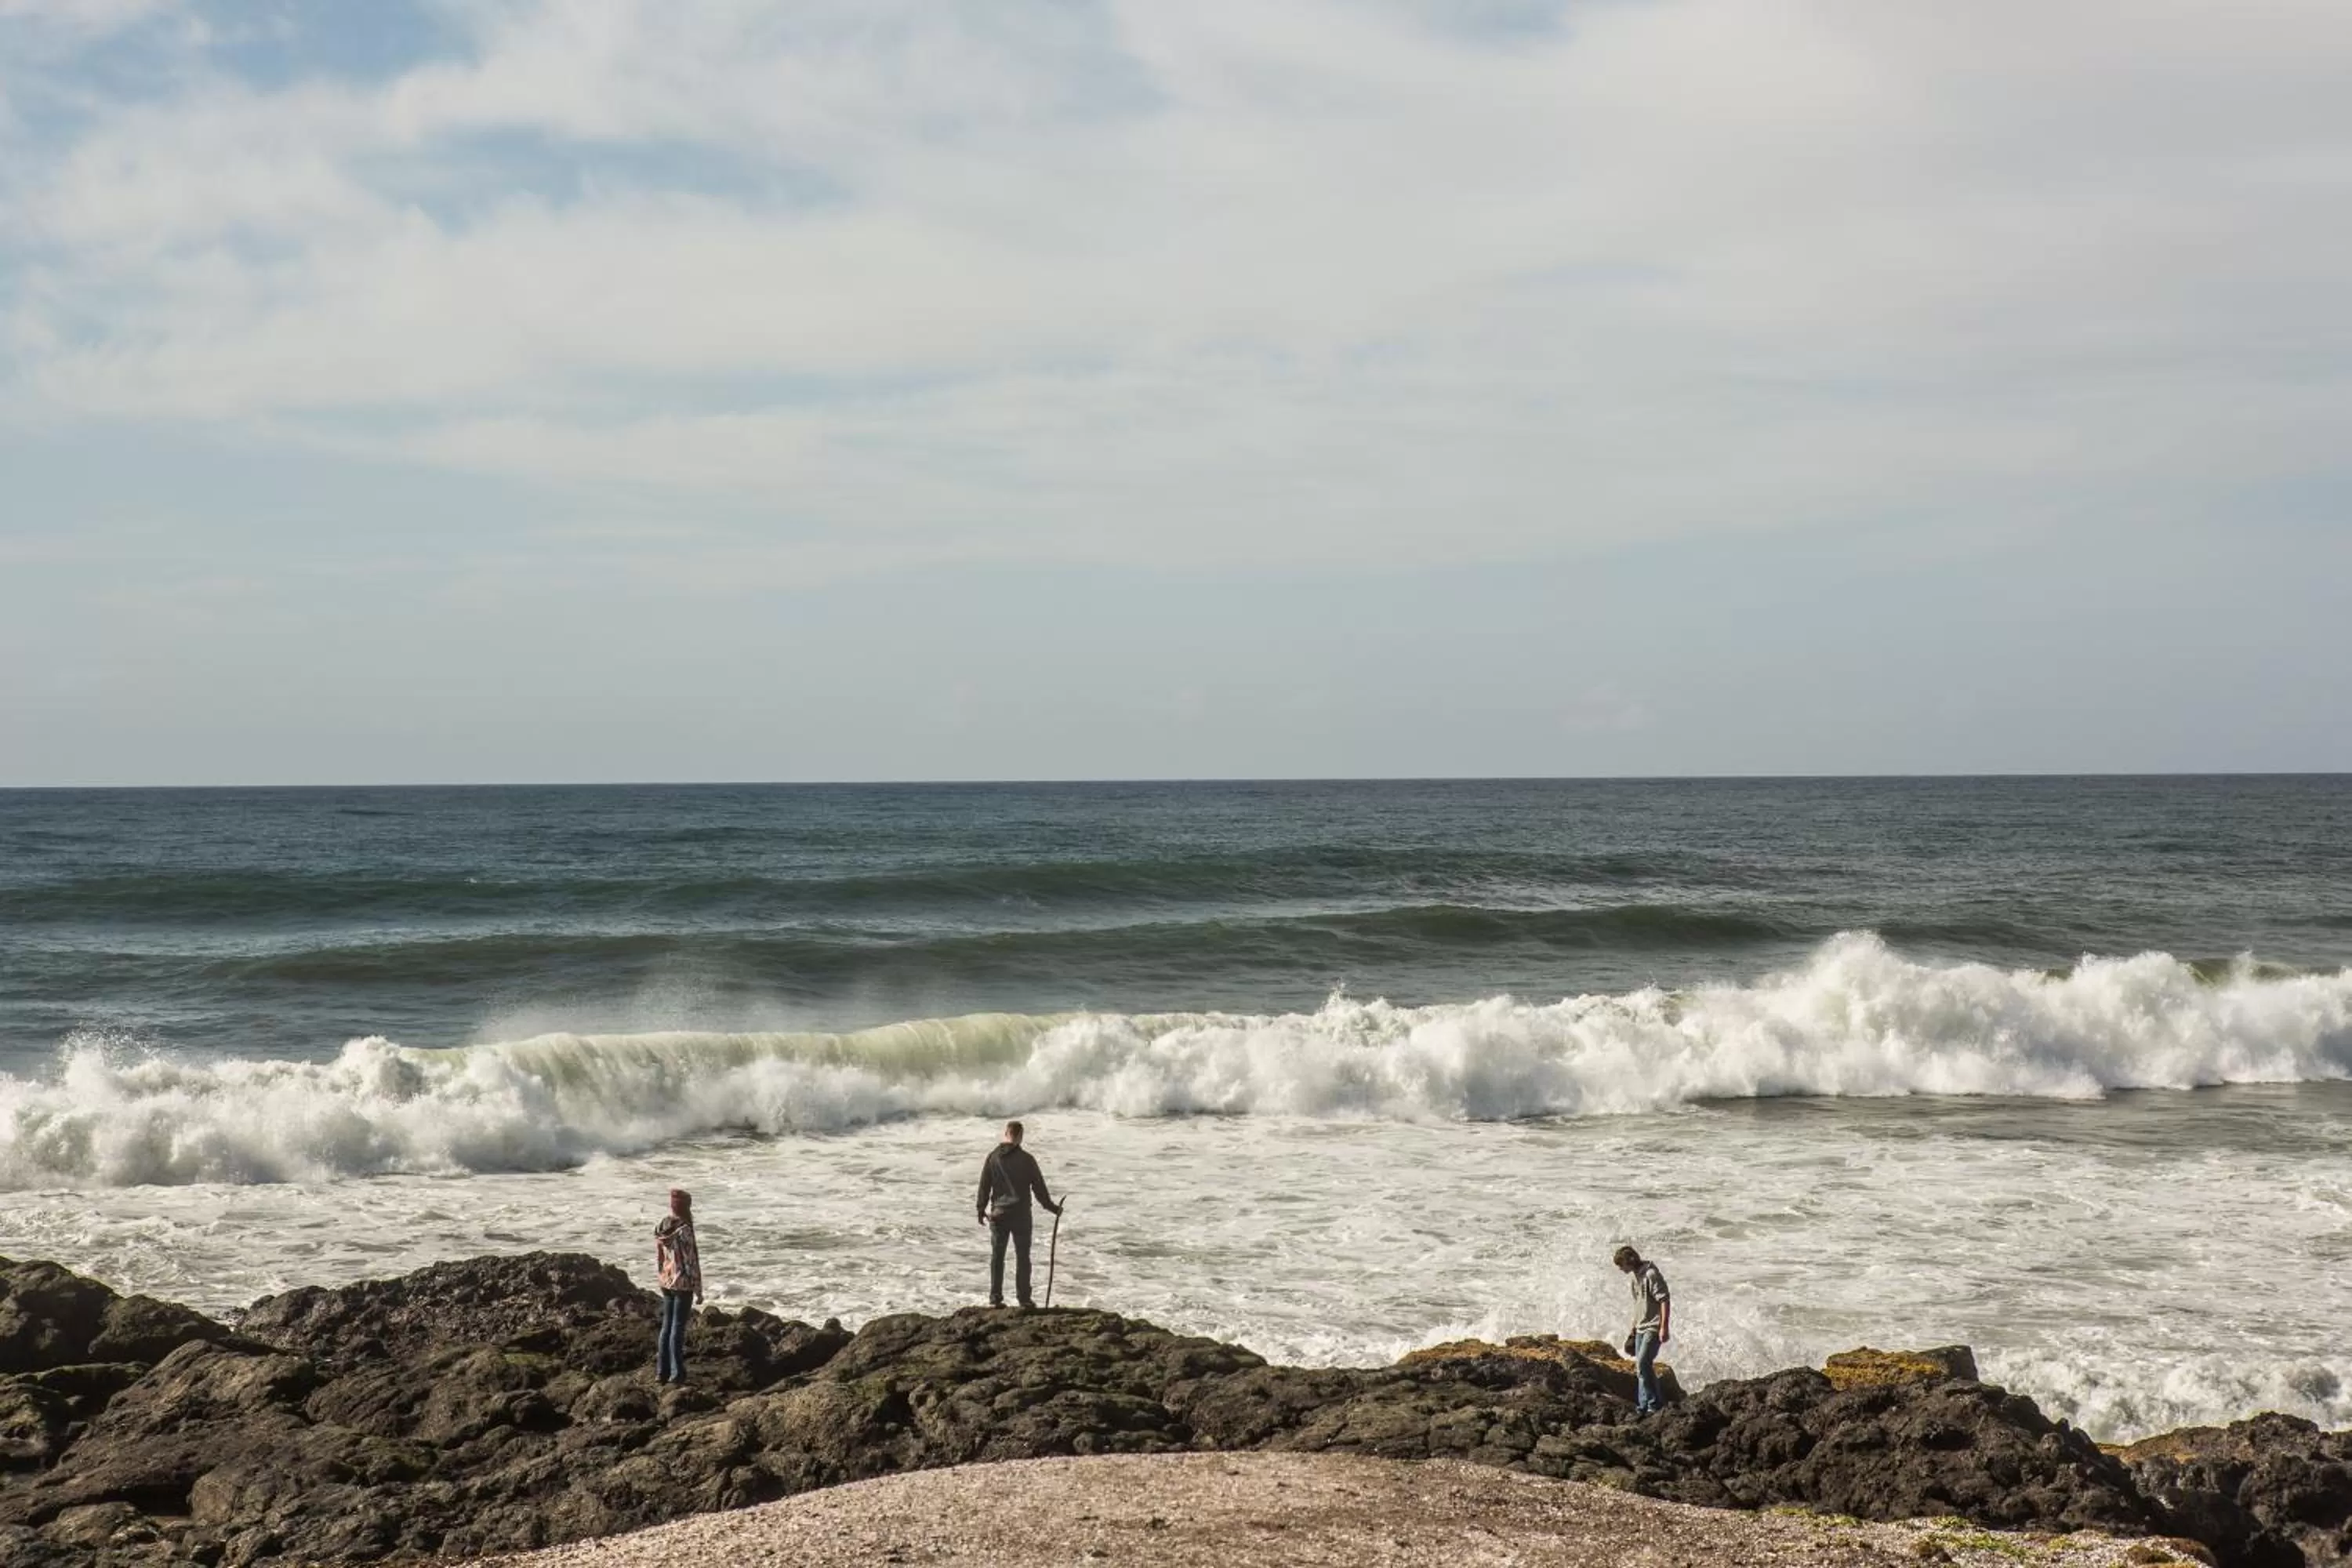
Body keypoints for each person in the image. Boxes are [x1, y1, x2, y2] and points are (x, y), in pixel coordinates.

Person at [975, 1120, 1062, 1308]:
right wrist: (1052, 1208)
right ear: (1020, 1137)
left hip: (998, 1214)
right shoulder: (1027, 1160)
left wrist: (981, 1209)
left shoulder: (993, 1157)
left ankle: (995, 1299)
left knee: (997, 1257)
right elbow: (1039, 1189)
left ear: (1006, 1134)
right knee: (1023, 1257)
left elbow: (984, 1185)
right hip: (1021, 1215)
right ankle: (1024, 1299)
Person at [1613, 1243, 1671, 1415]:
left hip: (1653, 1327)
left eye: (1621, 1264)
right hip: (1639, 1328)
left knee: (1643, 1363)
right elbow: (1638, 1305)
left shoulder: (1651, 1274)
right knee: (1640, 1368)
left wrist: (1664, 1327)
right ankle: (1643, 1407)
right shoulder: (1634, 1278)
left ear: (1630, 1260)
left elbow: (1665, 1300)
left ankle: (1655, 1405)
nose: (1620, 1269)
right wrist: (1633, 1328)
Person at [654, 1188, 703, 1384]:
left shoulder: (662, 1226)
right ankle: (676, 1373)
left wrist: (663, 1276)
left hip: (666, 1280)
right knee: (677, 1327)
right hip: (682, 1283)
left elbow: (659, 1257)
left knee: (666, 1327)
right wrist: (698, 1289)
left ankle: (661, 1372)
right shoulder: (684, 1230)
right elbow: (691, 1263)